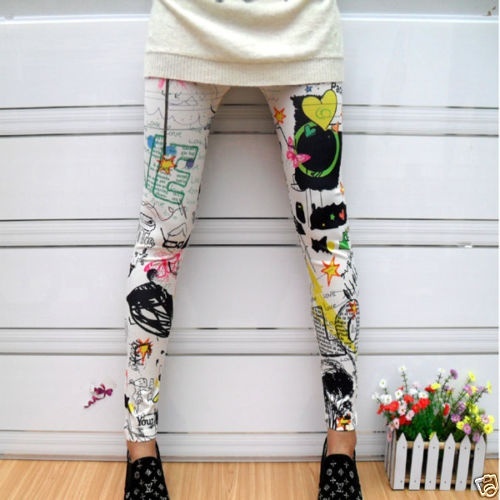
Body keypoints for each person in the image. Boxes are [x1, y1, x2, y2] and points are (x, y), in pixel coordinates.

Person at [124, 1, 362, 498]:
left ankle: (342, 445)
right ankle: (140, 448)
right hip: (188, 27)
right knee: (160, 240)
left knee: (327, 242)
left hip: (301, 29)